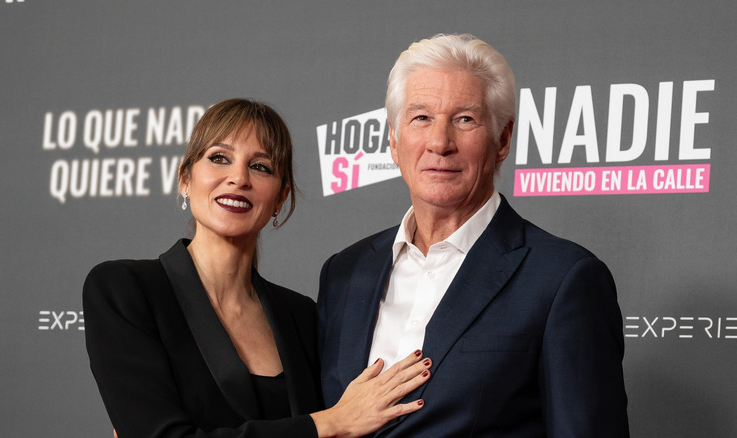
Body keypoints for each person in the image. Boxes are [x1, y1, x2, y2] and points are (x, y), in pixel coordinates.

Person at [317, 34, 630, 437]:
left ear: (502, 140)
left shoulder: (563, 278)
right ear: (393, 140)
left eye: (465, 119)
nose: (439, 143)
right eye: (421, 118)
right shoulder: (343, 273)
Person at [84, 98, 432, 438]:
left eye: (261, 166)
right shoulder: (125, 290)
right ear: (185, 179)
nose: (238, 178)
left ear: (280, 197)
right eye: (219, 158)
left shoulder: (301, 316)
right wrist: (329, 423)